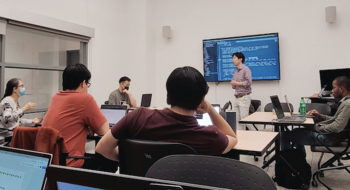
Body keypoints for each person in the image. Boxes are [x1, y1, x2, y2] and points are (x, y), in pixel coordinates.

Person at [96, 66, 238, 161]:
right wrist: (211, 110)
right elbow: (232, 137)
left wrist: (133, 160)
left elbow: (102, 148)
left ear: (168, 93)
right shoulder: (209, 136)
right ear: (201, 99)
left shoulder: (136, 117)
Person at [43, 63, 109, 168]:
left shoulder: (56, 97)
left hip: (50, 161)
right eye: (88, 84)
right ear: (83, 83)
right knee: (110, 160)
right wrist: (90, 126)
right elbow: (104, 132)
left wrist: (86, 127)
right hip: (69, 163)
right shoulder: (85, 99)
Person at [281, 76, 350, 156]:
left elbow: (337, 127)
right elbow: (335, 120)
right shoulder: (346, 102)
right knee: (296, 131)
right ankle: (299, 160)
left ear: (341, 89)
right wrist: (320, 116)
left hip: (328, 139)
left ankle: (287, 164)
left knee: (284, 135)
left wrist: (316, 128)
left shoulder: (347, 104)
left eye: (334, 88)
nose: (332, 91)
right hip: (332, 137)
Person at [230, 52, 253, 130]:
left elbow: (248, 82)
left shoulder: (246, 69)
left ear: (240, 59)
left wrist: (236, 83)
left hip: (244, 97)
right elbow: (236, 85)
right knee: (236, 120)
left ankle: (257, 134)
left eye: (234, 58)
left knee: (244, 119)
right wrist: (234, 85)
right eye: (232, 58)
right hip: (236, 97)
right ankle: (241, 138)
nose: (233, 60)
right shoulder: (235, 71)